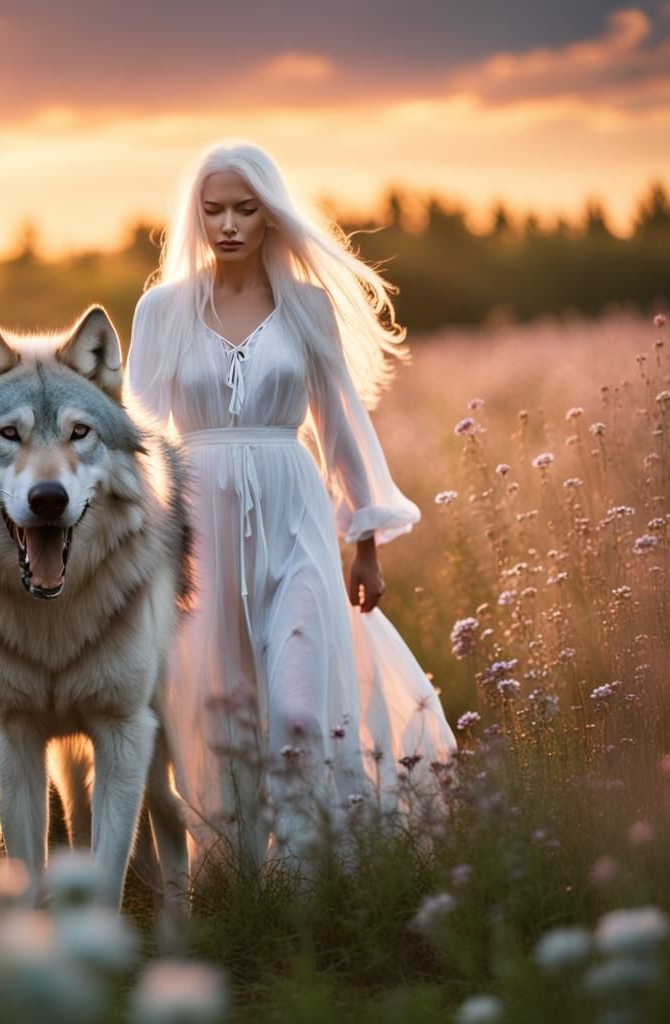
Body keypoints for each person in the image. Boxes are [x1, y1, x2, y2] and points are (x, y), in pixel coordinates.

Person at [125, 139, 456, 873]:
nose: (230, 224)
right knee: (217, 708)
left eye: (247, 208)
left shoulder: (306, 307)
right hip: (197, 527)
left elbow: (340, 425)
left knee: (301, 710)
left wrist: (366, 539)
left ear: (272, 214)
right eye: (214, 210)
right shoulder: (162, 311)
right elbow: (139, 436)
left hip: (295, 512)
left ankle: (309, 879)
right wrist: (136, 548)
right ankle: (234, 876)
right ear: (196, 216)